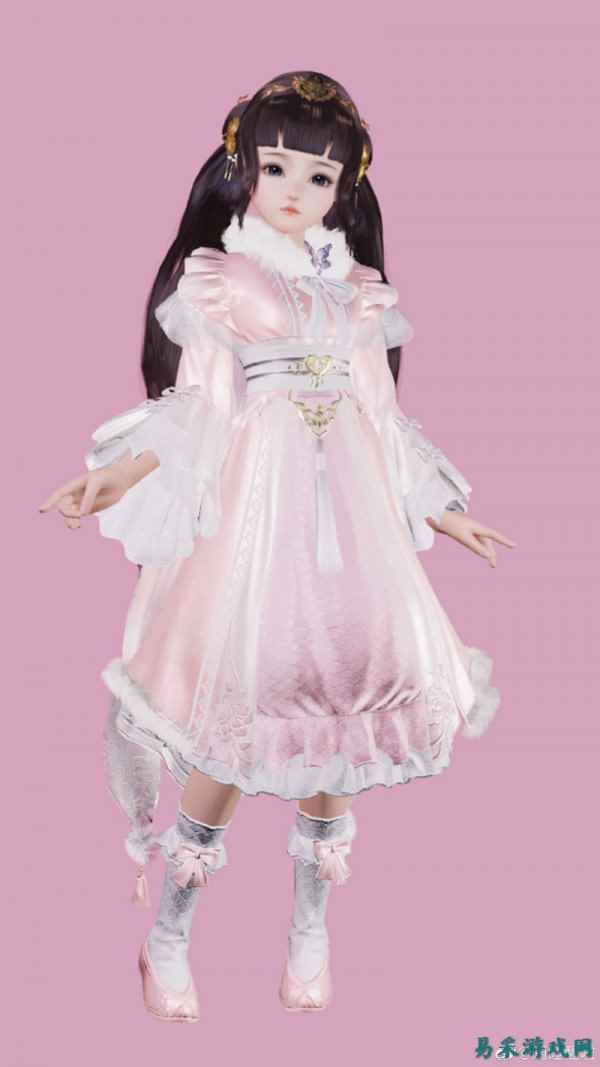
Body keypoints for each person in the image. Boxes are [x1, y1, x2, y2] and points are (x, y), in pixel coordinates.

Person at [39, 70, 516, 1022]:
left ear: (347, 188)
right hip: (257, 529)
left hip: (352, 532)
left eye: (320, 177)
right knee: (236, 717)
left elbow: (383, 420)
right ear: (243, 170)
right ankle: (170, 932)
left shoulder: (359, 293)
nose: (296, 190)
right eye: (277, 168)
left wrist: (444, 510)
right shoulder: (225, 280)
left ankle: (310, 925)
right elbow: (196, 410)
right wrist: (115, 477)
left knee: (339, 715)